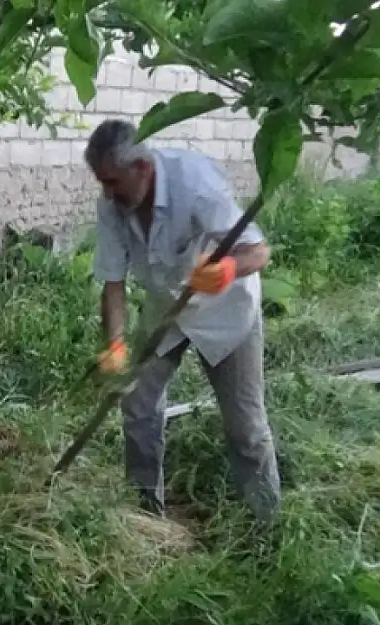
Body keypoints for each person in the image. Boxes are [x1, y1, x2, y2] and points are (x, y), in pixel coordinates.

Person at [85, 118, 282, 524]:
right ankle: (144, 514)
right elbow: (113, 283)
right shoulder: (113, 205)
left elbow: (259, 252)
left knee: (245, 426)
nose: (107, 192)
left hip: (225, 313)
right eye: (102, 182)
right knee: (137, 406)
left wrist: (226, 268)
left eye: (113, 181)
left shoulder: (195, 183)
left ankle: (266, 525)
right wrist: (116, 343)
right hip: (166, 313)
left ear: (142, 168)